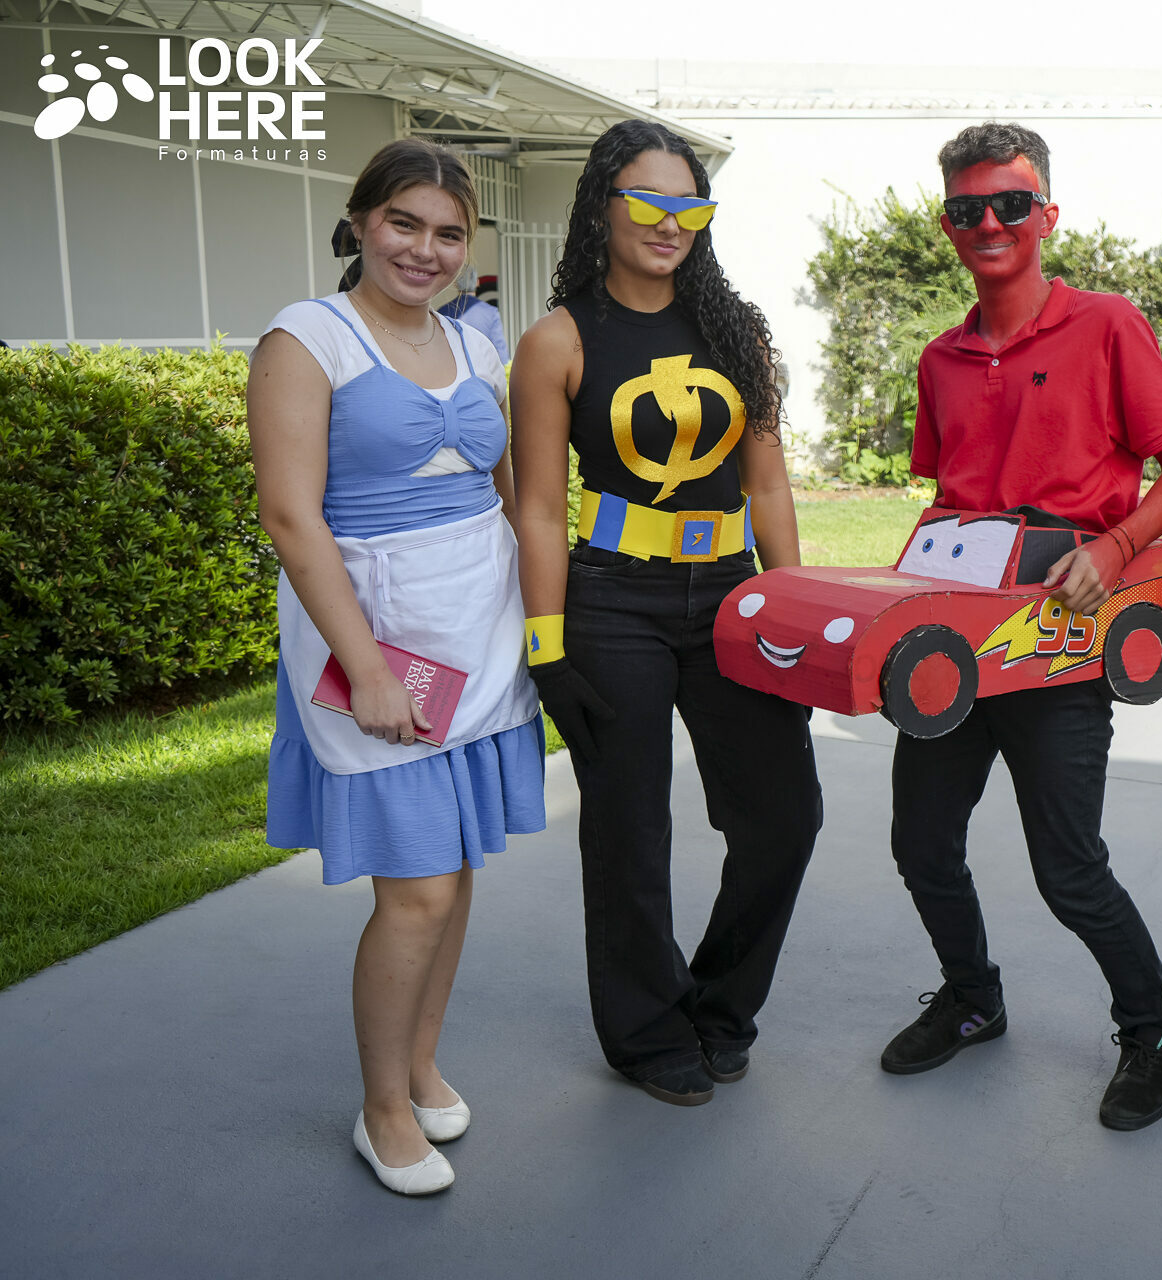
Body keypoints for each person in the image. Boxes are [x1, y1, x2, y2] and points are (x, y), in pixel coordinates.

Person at [880, 122, 1162, 1131]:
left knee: (1069, 868)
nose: (990, 222)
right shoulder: (940, 357)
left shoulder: (1107, 325)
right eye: (968, 208)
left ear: (1046, 216)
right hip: (960, 641)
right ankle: (972, 996)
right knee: (920, 841)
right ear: (948, 224)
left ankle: (1152, 1031)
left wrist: (1116, 546)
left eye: (1011, 204)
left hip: (1062, 641)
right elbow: (950, 494)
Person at [248, 139, 547, 1196]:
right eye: (404, 223)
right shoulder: (305, 338)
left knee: (453, 873)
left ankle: (419, 1065)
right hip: (377, 639)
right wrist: (366, 667)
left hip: (478, 635)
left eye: (449, 233)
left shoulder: (474, 340)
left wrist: (538, 622)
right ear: (361, 221)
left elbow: (505, 494)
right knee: (416, 889)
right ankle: (381, 1110)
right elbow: (291, 518)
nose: (426, 249)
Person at [509, 120, 821, 1107]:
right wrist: (546, 647)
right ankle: (645, 1032)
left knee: (783, 816)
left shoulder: (737, 331)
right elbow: (539, 507)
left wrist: (793, 611)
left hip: (731, 595)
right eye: (646, 201)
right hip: (612, 601)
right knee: (630, 829)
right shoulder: (558, 340)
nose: (669, 223)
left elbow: (766, 484)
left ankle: (721, 1006)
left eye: (690, 206)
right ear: (601, 205)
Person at [438, 263, 510, 364]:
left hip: (452, 369)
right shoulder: (491, 312)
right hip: (483, 369)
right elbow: (501, 354)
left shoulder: (442, 312)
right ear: (477, 282)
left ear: (455, 284)